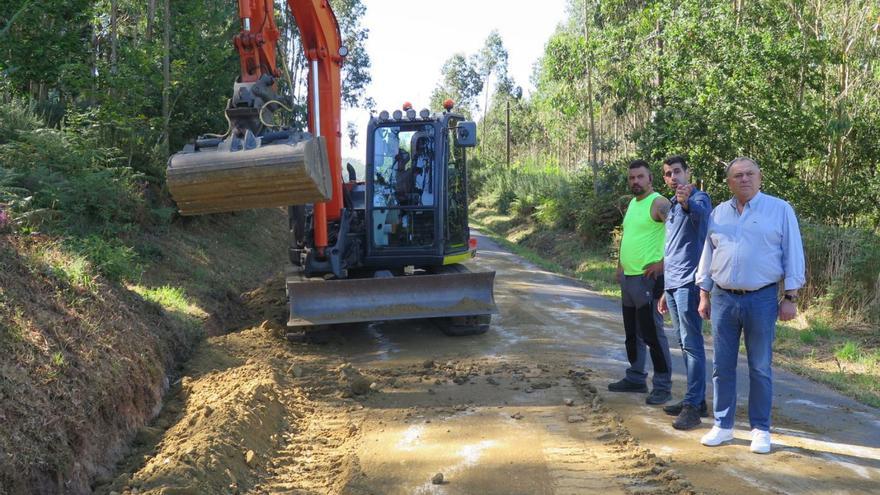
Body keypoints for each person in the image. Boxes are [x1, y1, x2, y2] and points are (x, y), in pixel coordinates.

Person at [696, 157, 805, 454]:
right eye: (737, 175)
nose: (744, 179)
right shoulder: (719, 212)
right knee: (721, 365)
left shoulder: (780, 209)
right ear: (729, 182)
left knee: (759, 366)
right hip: (723, 298)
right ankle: (723, 425)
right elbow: (708, 254)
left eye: (749, 174)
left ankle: (760, 430)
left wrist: (791, 297)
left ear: (760, 177)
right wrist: (704, 293)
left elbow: (793, 253)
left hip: (762, 298)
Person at [608, 160, 674, 406]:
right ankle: (635, 377)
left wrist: (664, 264)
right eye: (632, 177)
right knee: (632, 333)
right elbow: (628, 235)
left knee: (652, 334)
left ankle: (663, 386)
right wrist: (620, 265)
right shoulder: (633, 203)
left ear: (650, 179)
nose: (635, 181)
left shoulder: (659, 203)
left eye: (640, 177)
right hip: (629, 279)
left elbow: (679, 234)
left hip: (648, 280)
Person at [656, 156, 711, 430]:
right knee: (683, 343)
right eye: (668, 174)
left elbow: (701, 218)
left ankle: (693, 407)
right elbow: (672, 249)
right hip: (673, 283)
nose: (673, 177)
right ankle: (696, 399)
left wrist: (687, 202)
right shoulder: (673, 205)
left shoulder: (698, 198)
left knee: (692, 344)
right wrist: (665, 289)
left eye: (677, 171)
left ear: (688, 172)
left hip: (689, 283)